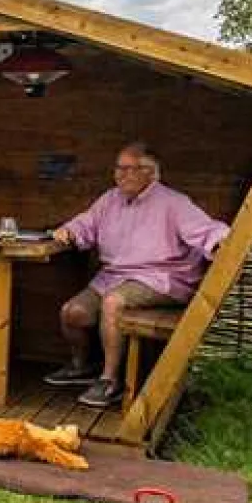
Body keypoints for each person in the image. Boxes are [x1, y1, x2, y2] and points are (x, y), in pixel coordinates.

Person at [42, 142, 231, 407]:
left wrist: (222, 243)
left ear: (150, 173)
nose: (122, 175)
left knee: (113, 302)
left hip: (161, 278)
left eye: (130, 169)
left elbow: (207, 229)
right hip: (113, 276)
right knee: (73, 312)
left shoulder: (173, 202)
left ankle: (111, 381)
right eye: (119, 168)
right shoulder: (110, 199)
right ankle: (82, 365)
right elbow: (85, 223)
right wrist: (69, 231)